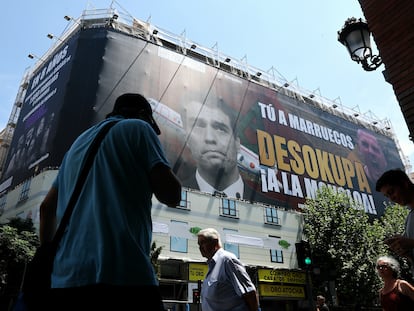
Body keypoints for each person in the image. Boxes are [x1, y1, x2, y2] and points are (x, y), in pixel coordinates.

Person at [38, 93, 182, 310]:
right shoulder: (139, 128)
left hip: (65, 280)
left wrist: (48, 252)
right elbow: (172, 196)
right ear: (144, 115)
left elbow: (46, 208)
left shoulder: (76, 145)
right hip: (124, 274)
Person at [181, 98, 254, 200]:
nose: (209, 138)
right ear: (187, 139)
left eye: (220, 129)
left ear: (237, 143)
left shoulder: (275, 205)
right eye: (199, 126)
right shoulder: (171, 196)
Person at [197, 227, 258, 311]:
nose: (200, 247)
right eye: (199, 244)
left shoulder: (227, 260)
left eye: (203, 243)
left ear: (215, 242)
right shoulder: (213, 266)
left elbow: (250, 293)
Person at [376, 169, 414, 274]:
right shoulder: (409, 219)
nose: (391, 199)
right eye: (387, 196)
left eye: (391, 192)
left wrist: (411, 243)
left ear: (404, 184)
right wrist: (405, 251)